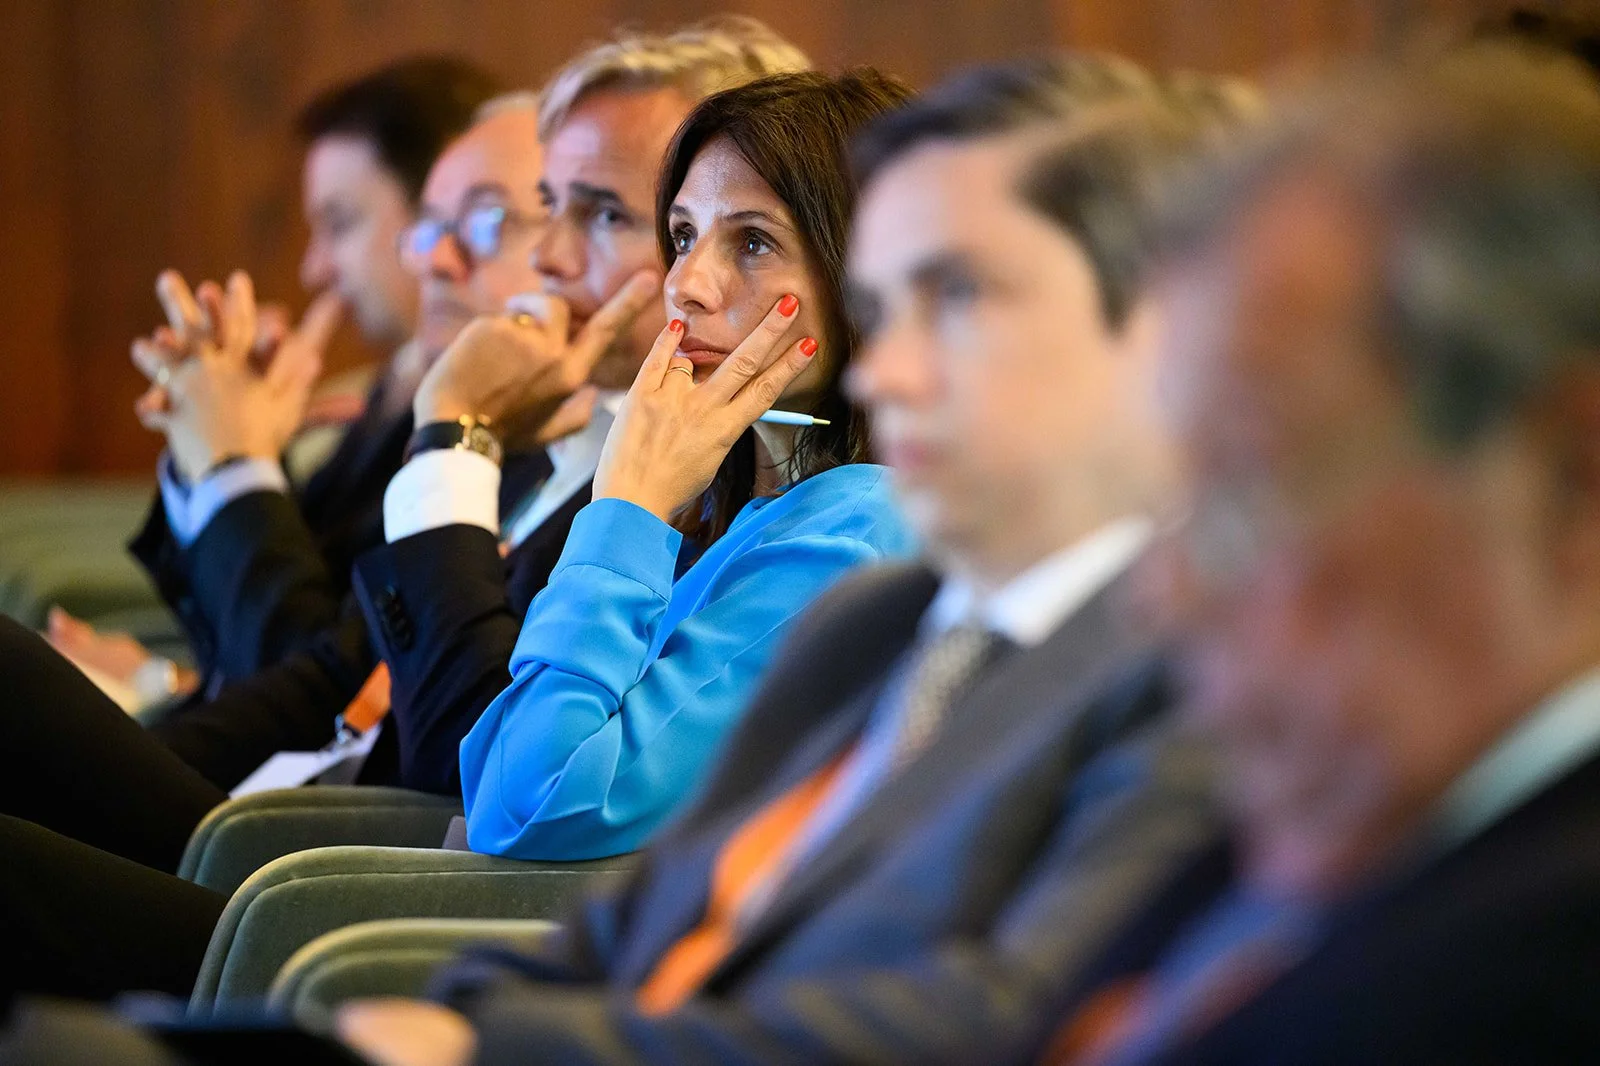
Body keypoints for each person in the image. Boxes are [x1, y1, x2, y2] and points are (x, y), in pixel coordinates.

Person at [324, 61, 1240, 1066]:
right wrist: (467, 1011)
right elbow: (627, 903)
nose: (887, 367)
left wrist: (623, 510)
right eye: (681, 236)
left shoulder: (1174, 662)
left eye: (957, 297)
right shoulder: (879, 617)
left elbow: (990, 1012)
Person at [0, 61, 916, 1007]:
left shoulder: (849, 530)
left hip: (501, 976)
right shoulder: (749, 501)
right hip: (375, 889)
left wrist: (626, 507)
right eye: (681, 235)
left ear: (871, 277)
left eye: (753, 241)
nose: (686, 284)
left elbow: (529, 794)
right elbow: (470, 751)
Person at [1021, 45, 1600, 1065]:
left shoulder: (1536, 976)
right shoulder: (1328, 835)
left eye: (1243, 495)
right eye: (1174, 509)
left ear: (1572, 476)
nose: (1165, 595)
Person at [351, 16, 814, 795]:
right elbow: (326, 673)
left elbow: (477, 776)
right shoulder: (545, 417)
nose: (547, 256)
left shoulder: (730, 481)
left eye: (606, 215)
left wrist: (453, 437)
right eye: (680, 232)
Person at [50, 57, 502, 702]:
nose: (315, 268)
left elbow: (331, 695)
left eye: (340, 224)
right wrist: (210, 441)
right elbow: (257, 637)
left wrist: (236, 463)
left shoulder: (493, 421)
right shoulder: (389, 386)